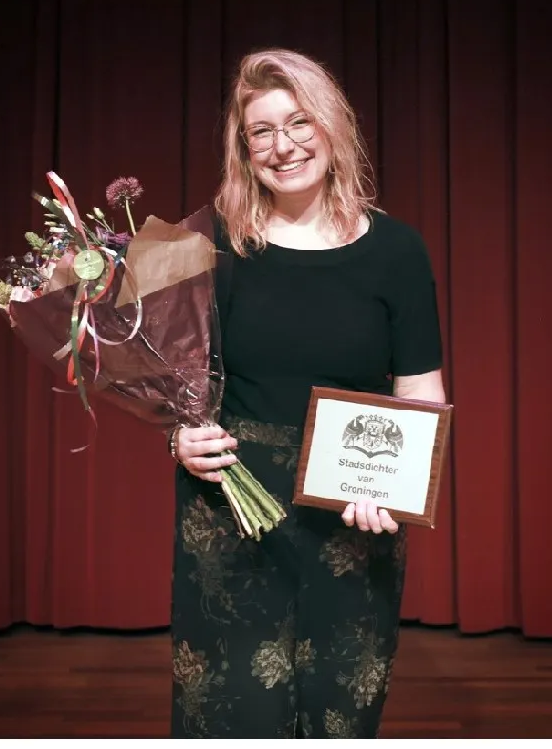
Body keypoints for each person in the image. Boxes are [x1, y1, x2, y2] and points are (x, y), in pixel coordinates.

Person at [167, 48, 445, 739]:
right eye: (261, 131)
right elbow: (149, 361)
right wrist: (177, 435)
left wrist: (397, 485)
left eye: (298, 123)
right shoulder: (206, 239)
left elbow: (420, 386)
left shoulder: (398, 251)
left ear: (331, 127)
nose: (283, 146)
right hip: (234, 514)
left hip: (352, 518)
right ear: (243, 147)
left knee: (338, 716)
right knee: (231, 718)